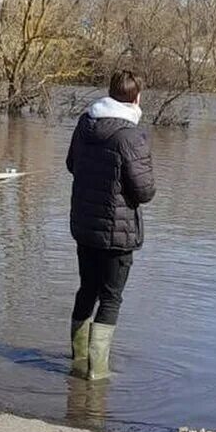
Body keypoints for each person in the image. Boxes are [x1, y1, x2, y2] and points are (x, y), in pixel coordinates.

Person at [66, 70, 156, 380]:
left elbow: (71, 165)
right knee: (111, 297)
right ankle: (98, 371)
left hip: (85, 225)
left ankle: (78, 361)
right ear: (137, 99)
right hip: (118, 233)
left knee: (87, 289)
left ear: (110, 93)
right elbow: (145, 191)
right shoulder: (131, 135)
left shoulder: (85, 123)